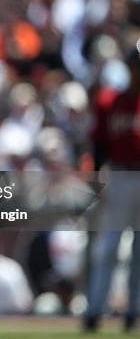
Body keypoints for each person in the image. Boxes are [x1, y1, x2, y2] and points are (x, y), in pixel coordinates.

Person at [85, 47, 140, 333]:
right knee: (108, 247)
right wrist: (97, 180)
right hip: (119, 174)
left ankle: (134, 312)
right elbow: (98, 145)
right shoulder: (110, 101)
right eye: (135, 65)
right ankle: (94, 310)